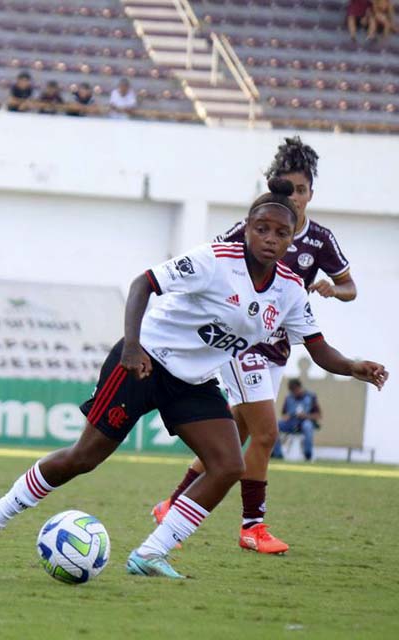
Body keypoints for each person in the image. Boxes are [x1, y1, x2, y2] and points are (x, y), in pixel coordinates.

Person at [0, 178, 388, 578]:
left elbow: (319, 349)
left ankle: (150, 553)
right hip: (143, 360)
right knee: (84, 458)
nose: (270, 239)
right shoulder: (214, 260)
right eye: (262, 229)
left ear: (291, 239)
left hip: (192, 380)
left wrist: (353, 367)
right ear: (247, 228)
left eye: (281, 233)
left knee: (227, 465)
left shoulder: (291, 290)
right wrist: (131, 347)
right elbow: (141, 285)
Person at [152, 136, 355, 554]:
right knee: (266, 432)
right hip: (242, 347)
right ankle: (252, 527)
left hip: (280, 351)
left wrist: (334, 291)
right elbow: (216, 260)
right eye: (288, 188)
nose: (295, 198)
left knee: (238, 430)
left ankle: (172, 504)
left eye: (301, 190)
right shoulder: (253, 228)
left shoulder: (320, 240)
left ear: (311, 193)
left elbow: (350, 286)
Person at [272, 379, 321, 461]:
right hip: (291, 423)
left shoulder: (311, 397)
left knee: (307, 426)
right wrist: (287, 416)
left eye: (295, 390)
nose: (294, 393)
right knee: (275, 426)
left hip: (305, 422)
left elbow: (318, 415)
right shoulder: (289, 398)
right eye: (292, 391)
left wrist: (305, 416)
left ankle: (308, 454)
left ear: (299, 387)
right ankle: (277, 454)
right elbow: (284, 414)